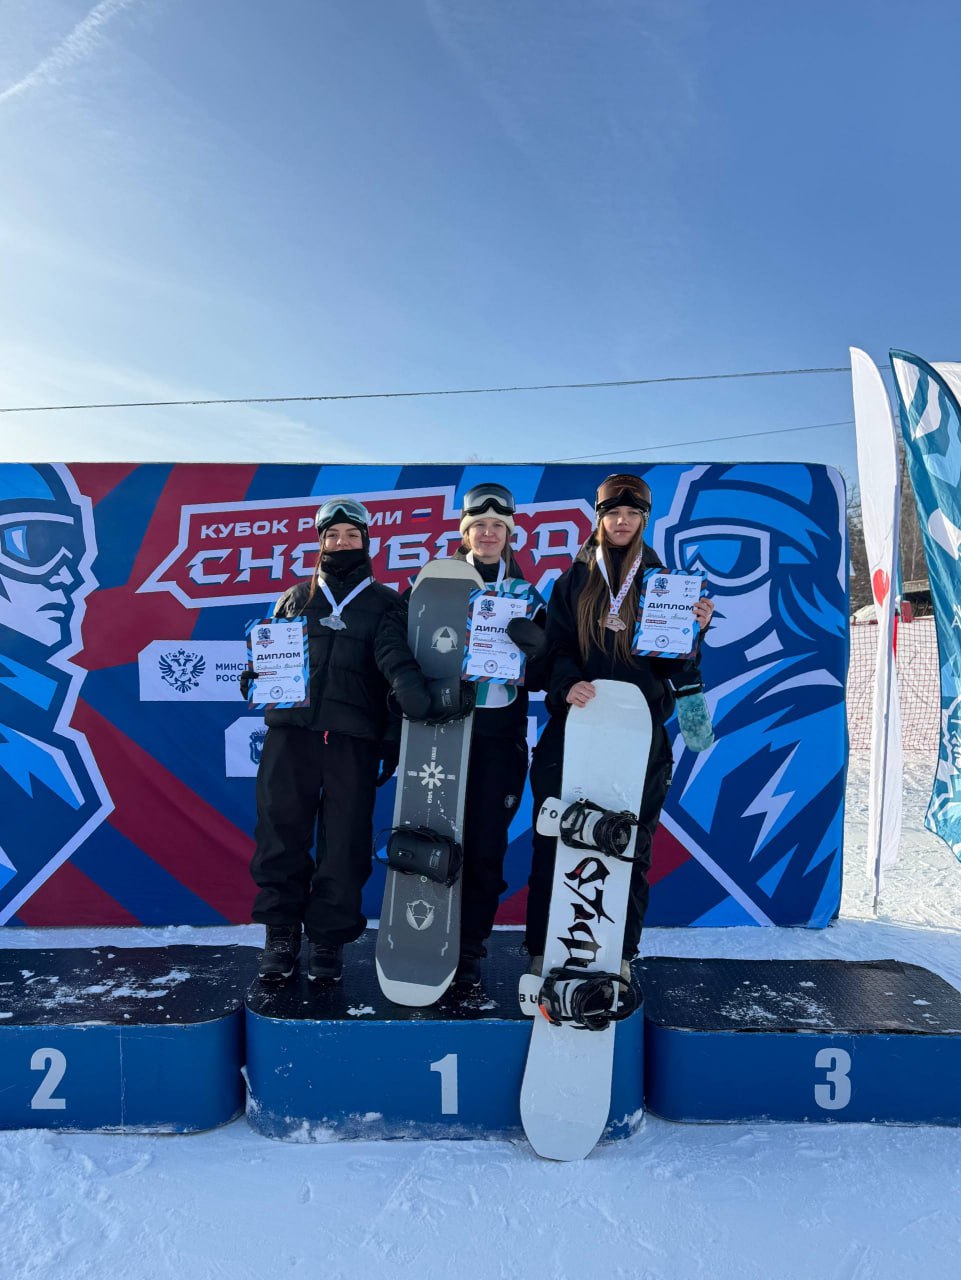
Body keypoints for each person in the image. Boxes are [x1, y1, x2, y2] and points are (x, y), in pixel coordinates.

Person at [524, 472, 715, 980]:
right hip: (576, 729)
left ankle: (618, 955)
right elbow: (552, 650)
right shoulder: (573, 581)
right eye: (613, 513)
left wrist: (692, 631)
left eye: (633, 514)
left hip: (638, 735)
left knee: (629, 842)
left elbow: (671, 667)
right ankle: (545, 950)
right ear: (599, 518)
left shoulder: (665, 583)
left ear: (644, 520)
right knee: (557, 837)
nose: (623, 521)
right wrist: (566, 683)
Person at [245, 497, 431, 983]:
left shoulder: (387, 602)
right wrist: (254, 677)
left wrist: (391, 740)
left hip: (352, 739)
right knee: (279, 834)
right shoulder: (294, 598)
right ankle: (281, 933)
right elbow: (265, 656)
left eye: (352, 536)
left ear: (367, 543)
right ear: (320, 542)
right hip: (292, 735)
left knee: (344, 843)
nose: (342, 543)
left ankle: (327, 939)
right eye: (333, 536)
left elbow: (393, 672)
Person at [447, 482, 547, 989]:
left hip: (498, 734)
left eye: (497, 526)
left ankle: (470, 946)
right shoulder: (435, 584)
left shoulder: (527, 595)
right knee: (437, 836)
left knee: (485, 845)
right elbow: (402, 644)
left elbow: (547, 672)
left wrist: (537, 648)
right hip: (442, 730)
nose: (488, 533)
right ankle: (428, 935)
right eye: (479, 526)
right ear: (465, 533)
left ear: (509, 535)